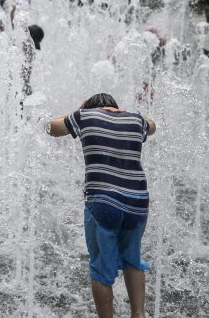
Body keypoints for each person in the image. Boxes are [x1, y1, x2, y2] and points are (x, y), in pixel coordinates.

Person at [45, 93, 156, 318]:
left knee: (100, 269)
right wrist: (126, 113)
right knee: (132, 259)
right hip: (138, 202)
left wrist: (78, 109)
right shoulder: (135, 120)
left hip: (103, 201)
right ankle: (139, 314)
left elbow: (51, 128)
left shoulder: (84, 116)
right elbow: (152, 126)